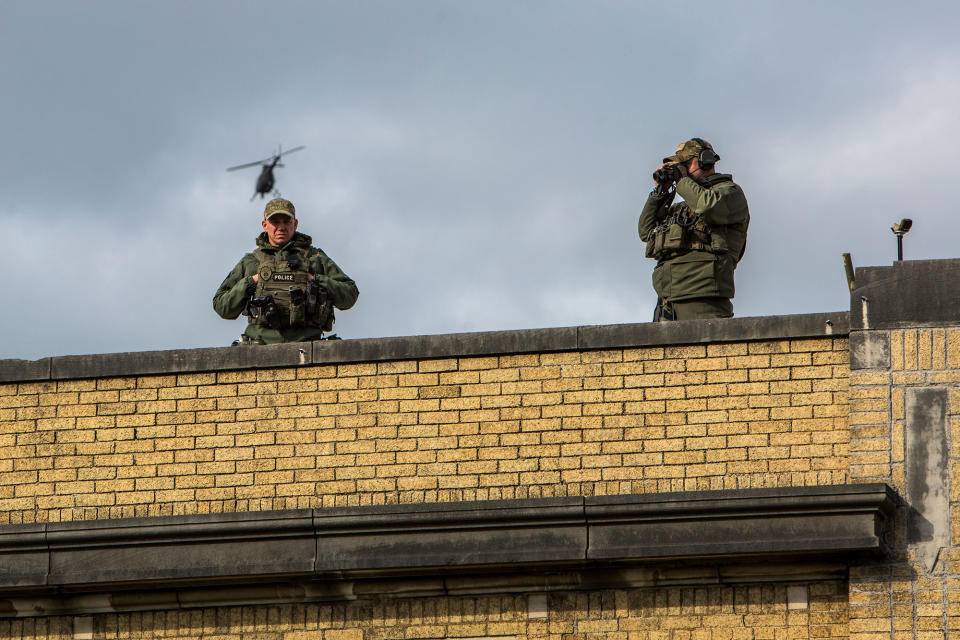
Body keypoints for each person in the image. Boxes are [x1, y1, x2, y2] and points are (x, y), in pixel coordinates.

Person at [213, 197, 359, 344]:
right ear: (265, 225)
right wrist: (252, 281)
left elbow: (349, 295)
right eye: (275, 222)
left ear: (295, 224)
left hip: (308, 345)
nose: (281, 227)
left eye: (286, 222)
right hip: (260, 346)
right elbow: (222, 306)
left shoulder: (315, 258)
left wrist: (314, 279)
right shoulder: (252, 261)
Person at [637, 138, 749, 321]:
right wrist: (660, 194)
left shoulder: (729, 193)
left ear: (706, 161)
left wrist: (681, 180)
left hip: (703, 301)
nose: (681, 171)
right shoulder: (682, 208)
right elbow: (647, 233)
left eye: (685, 165)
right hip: (667, 302)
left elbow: (707, 206)